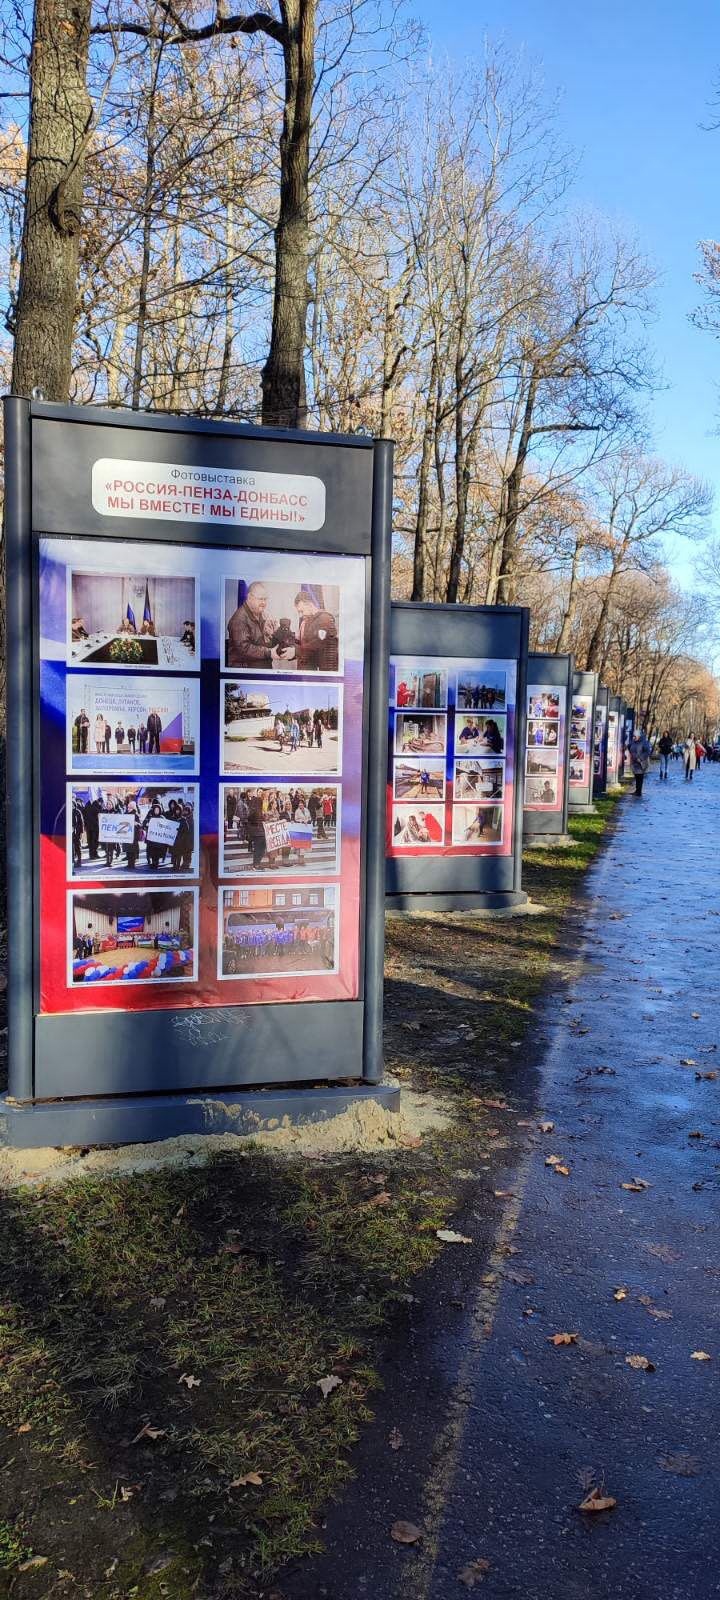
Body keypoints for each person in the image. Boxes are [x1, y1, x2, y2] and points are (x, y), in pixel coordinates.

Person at [226, 582, 291, 669]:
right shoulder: (239, 620)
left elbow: (265, 644)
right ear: (249, 597)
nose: (264, 603)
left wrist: (278, 634)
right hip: (245, 671)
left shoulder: (263, 615)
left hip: (262, 667)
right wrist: (269, 653)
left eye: (265, 599)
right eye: (260, 599)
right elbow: (244, 648)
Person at [293, 592, 339, 672]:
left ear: (309, 605)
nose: (300, 615)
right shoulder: (307, 621)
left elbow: (317, 644)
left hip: (328, 671)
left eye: (301, 611)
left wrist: (295, 651)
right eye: (299, 612)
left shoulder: (325, 619)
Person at [629, 728, 652, 795]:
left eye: (635, 736)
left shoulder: (644, 742)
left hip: (641, 762)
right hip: (634, 762)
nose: (634, 737)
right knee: (636, 776)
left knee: (640, 776)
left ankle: (639, 792)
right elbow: (630, 747)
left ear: (639, 736)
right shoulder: (633, 741)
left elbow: (647, 752)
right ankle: (637, 790)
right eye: (633, 736)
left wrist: (641, 758)